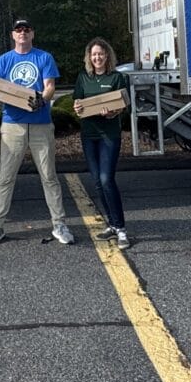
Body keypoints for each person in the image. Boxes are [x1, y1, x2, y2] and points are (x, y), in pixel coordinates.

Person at [0, 18, 75, 246]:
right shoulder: (4, 61)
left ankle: (59, 224)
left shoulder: (44, 57)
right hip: (12, 124)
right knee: (5, 177)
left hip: (41, 124)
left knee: (49, 176)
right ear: (13, 35)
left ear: (32, 34)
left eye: (26, 29)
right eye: (18, 30)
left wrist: (42, 100)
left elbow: (50, 86)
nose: (22, 33)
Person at [73, 37, 132, 249]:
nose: (97, 57)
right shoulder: (83, 78)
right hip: (89, 134)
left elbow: (125, 107)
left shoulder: (117, 78)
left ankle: (122, 229)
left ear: (107, 55)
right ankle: (112, 225)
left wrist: (113, 112)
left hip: (109, 134)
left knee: (107, 179)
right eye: (94, 54)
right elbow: (77, 103)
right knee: (97, 181)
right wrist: (78, 108)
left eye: (101, 53)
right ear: (89, 57)